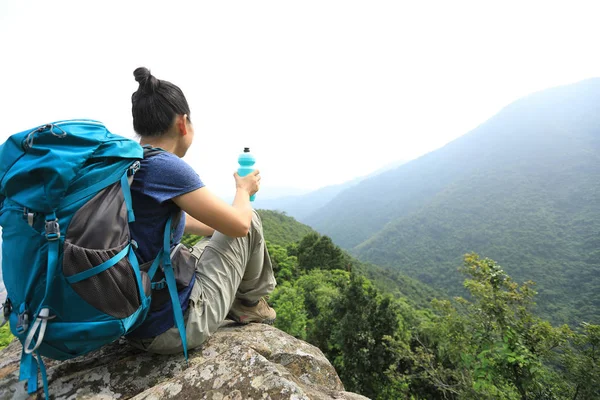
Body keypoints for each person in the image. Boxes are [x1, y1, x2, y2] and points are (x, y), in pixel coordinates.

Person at [126, 67, 276, 354]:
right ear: (183, 124)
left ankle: (241, 301)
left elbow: (197, 223)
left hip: (134, 319)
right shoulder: (167, 167)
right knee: (251, 219)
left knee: (213, 239)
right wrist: (243, 191)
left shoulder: (129, 165)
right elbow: (241, 227)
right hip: (173, 326)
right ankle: (247, 304)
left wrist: (223, 227)